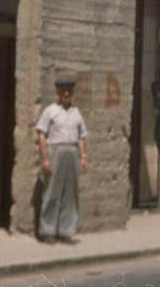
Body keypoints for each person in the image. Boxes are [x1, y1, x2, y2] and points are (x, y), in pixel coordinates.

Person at [35, 76, 89, 243]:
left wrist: (83, 157)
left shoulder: (76, 112)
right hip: (55, 151)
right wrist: (45, 159)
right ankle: (47, 231)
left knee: (70, 193)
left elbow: (81, 137)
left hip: (72, 152)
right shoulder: (50, 111)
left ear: (72, 92)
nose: (66, 93)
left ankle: (66, 231)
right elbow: (41, 134)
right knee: (52, 191)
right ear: (58, 92)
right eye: (63, 91)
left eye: (69, 91)